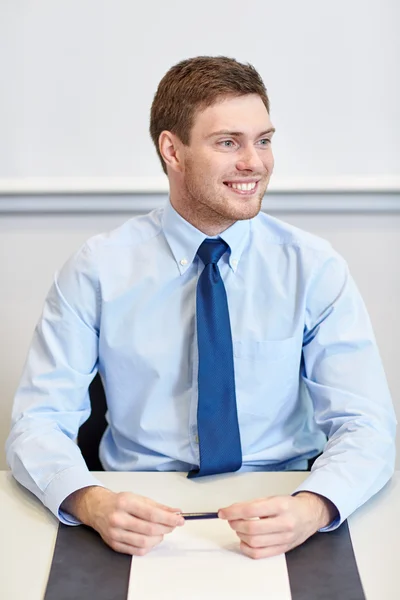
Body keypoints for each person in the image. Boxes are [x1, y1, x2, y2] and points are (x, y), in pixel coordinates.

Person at [6, 56, 396, 560]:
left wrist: (316, 505)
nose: (254, 162)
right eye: (228, 142)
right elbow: (37, 421)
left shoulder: (314, 267)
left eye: (264, 140)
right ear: (172, 150)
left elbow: (367, 423)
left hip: (286, 500)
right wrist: (91, 501)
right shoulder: (98, 268)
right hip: (137, 506)